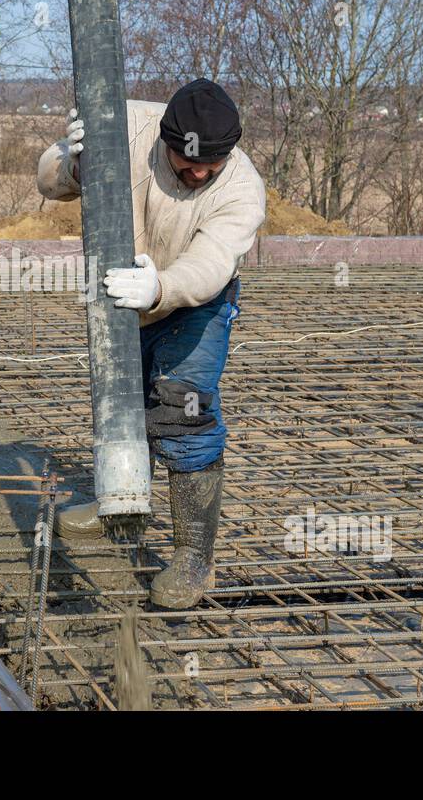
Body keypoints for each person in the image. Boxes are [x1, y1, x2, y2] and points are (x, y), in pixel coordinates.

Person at [36, 79, 266, 609]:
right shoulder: (125, 126)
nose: (200, 173)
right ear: (166, 138)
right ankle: (121, 506)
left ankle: (193, 556)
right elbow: (50, 185)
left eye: (213, 164)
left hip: (193, 301)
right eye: (189, 163)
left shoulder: (241, 189)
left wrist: (161, 287)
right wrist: (69, 161)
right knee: (124, 405)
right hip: (119, 292)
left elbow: (210, 265)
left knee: (181, 409)